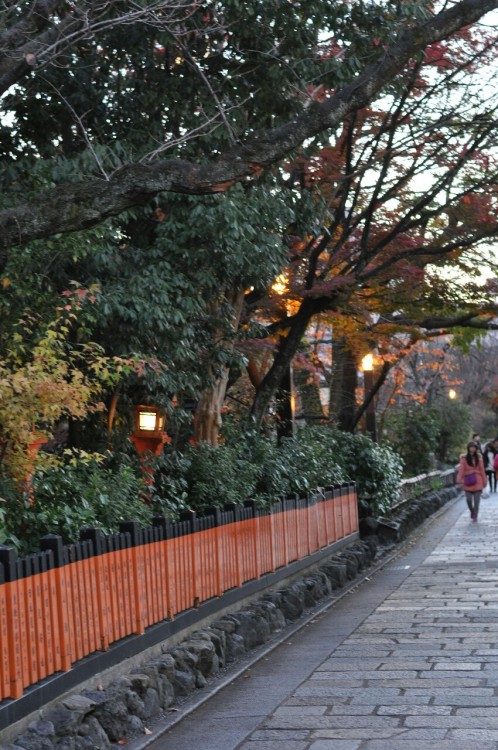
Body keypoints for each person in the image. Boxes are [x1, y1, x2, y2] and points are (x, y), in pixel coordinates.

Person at [457, 441, 487, 521]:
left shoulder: (479, 458)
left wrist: (484, 481)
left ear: (476, 448)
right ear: (468, 448)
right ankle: (472, 511)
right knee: (469, 499)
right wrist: (459, 480)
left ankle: (475, 515)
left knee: (477, 501)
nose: (472, 449)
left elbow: (482, 470)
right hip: (468, 480)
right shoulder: (464, 459)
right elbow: (461, 470)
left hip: (478, 480)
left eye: (474, 447)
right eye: (471, 447)